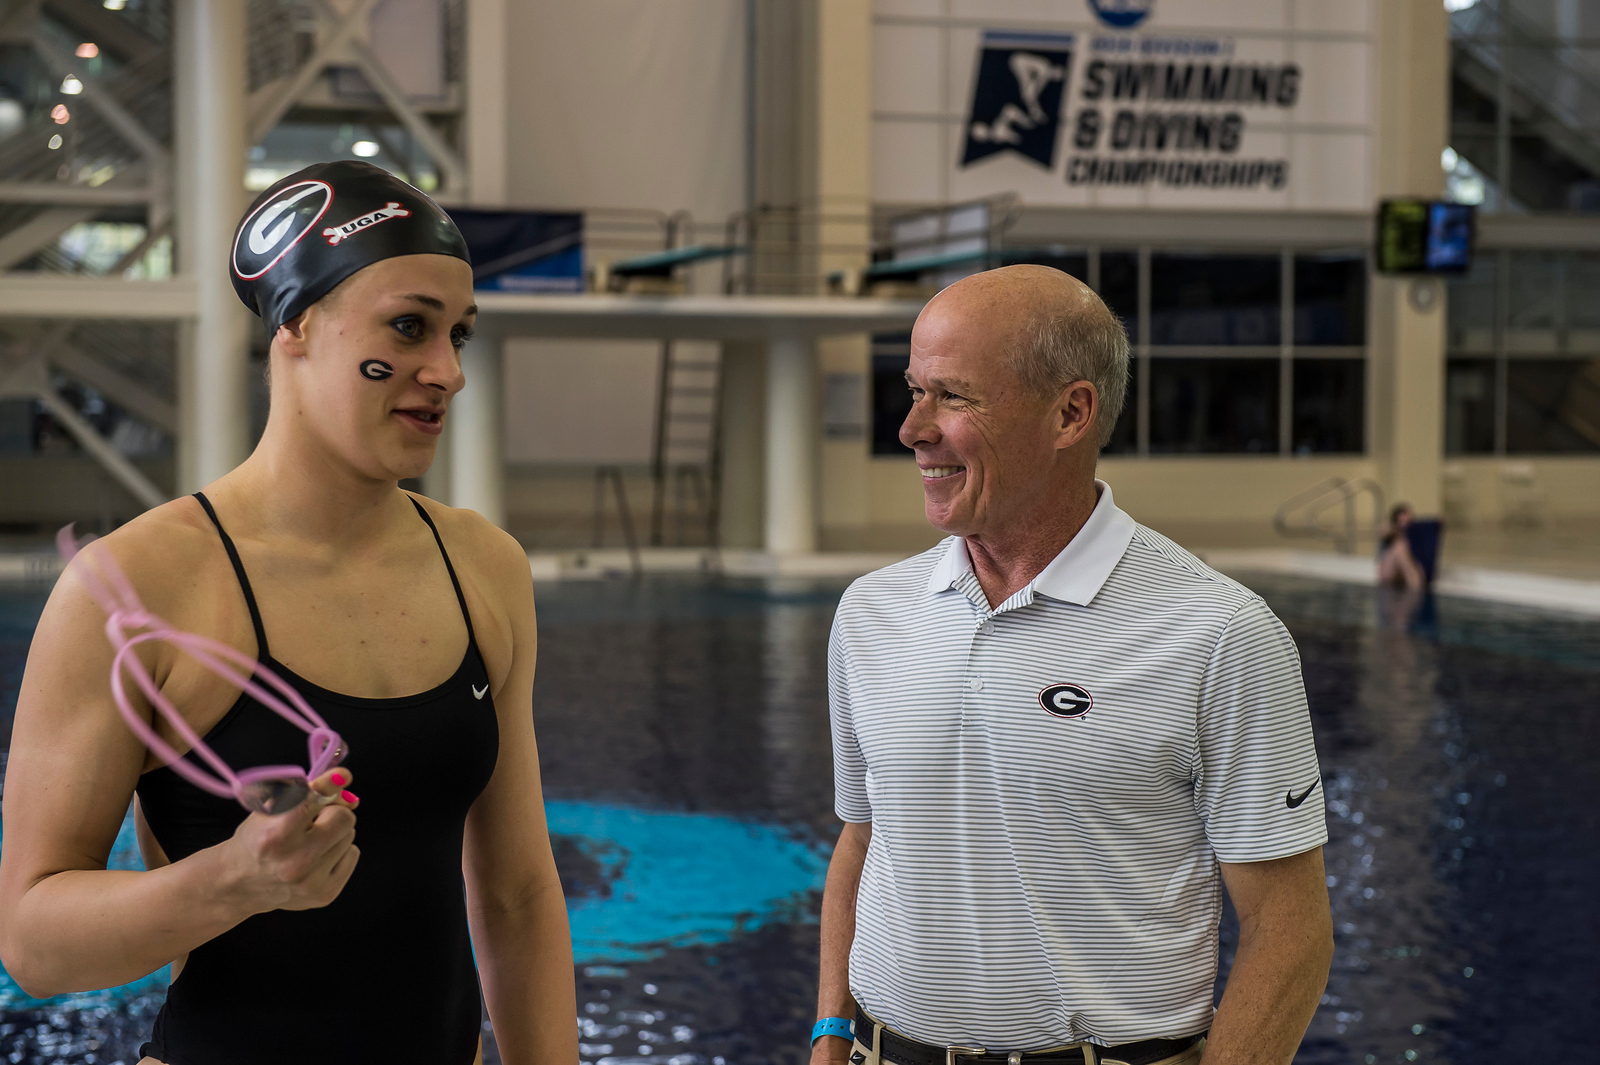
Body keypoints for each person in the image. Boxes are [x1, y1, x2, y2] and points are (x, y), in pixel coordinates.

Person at [0, 162, 578, 1065]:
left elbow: (515, 893)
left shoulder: (484, 566)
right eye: (409, 326)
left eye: (458, 333)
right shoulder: (141, 586)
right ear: (298, 325)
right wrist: (231, 881)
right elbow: (33, 943)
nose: (448, 371)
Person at [811, 266, 1333, 1065]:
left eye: (951, 396)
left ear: (1070, 411)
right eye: (914, 390)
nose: (913, 428)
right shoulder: (870, 613)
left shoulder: (1219, 633)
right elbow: (862, 839)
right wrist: (829, 1034)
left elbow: (1288, 927)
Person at [1378, 504, 1427, 591]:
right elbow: (1385, 532)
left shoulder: (1414, 535)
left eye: (1408, 521)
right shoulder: (1391, 533)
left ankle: (1415, 589)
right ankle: (1416, 589)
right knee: (1399, 547)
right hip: (1391, 572)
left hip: (1407, 571)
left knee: (1400, 547)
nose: (1405, 525)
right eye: (1402, 521)